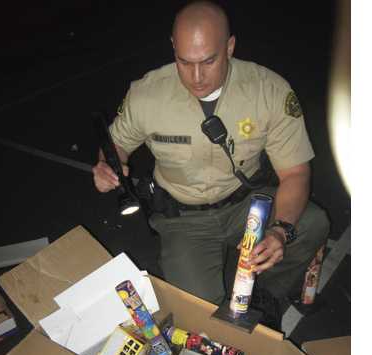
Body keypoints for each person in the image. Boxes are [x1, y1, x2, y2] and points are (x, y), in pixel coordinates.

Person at [93, 1, 329, 324]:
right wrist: (107, 165)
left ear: (230, 47)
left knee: (313, 224)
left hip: (246, 206)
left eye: (209, 60)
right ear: (173, 47)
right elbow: (116, 144)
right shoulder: (147, 95)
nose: (197, 77)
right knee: (201, 318)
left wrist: (279, 230)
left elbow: (296, 172)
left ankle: (266, 292)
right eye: (184, 62)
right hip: (183, 219)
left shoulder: (268, 91)